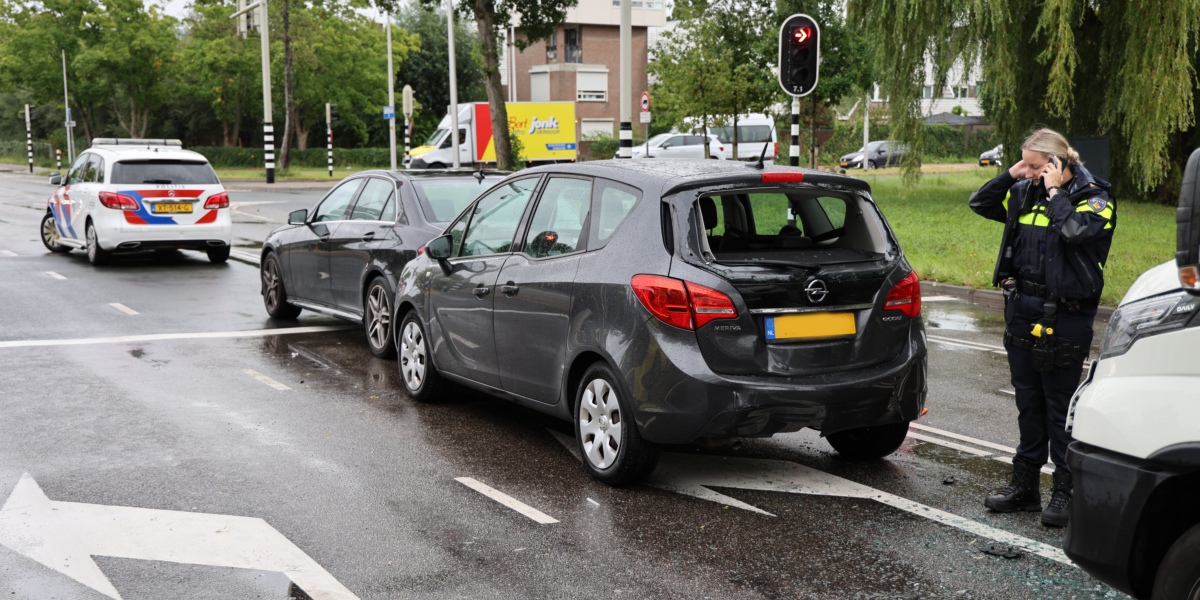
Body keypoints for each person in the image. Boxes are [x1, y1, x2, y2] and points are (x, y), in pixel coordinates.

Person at [968, 128, 1116, 527]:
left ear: (1059, 163)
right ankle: (1025, 487)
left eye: (1037, 166)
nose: (1031, 174)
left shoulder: (1095, 198)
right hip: (1024, 307)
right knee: (1028, 402)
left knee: (1059, 407)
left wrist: (1055, 193)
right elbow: (980, 203)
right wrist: (1012, 174)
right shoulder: (1024, 189)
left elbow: (1074, 232)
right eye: (1027, 166)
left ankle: (1065, 492)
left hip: (1066, 313)